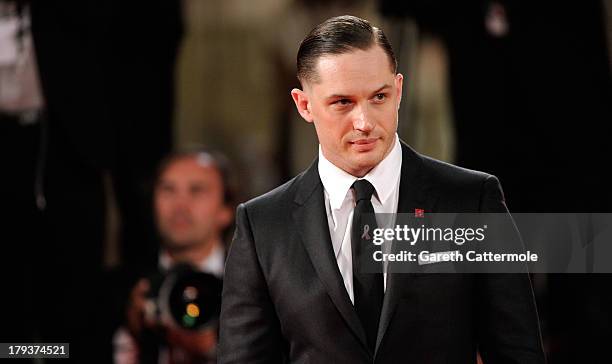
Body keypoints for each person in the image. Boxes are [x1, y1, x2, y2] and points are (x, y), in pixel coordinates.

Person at [219, 15, 544, 363]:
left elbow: (518, 352)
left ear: (399, 90)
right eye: (342, 102)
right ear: (304, 105)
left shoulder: (471, 200)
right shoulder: (263, 224)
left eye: (379, 96)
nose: (364, 122)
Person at [115, 148, 235, 364]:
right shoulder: (117, 289)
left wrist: (217, 351)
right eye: (168, 190)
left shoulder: (259, 291)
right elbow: (53, 351)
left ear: (226, 210)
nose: (180, 206)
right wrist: (130, 332)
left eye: (196, 191)